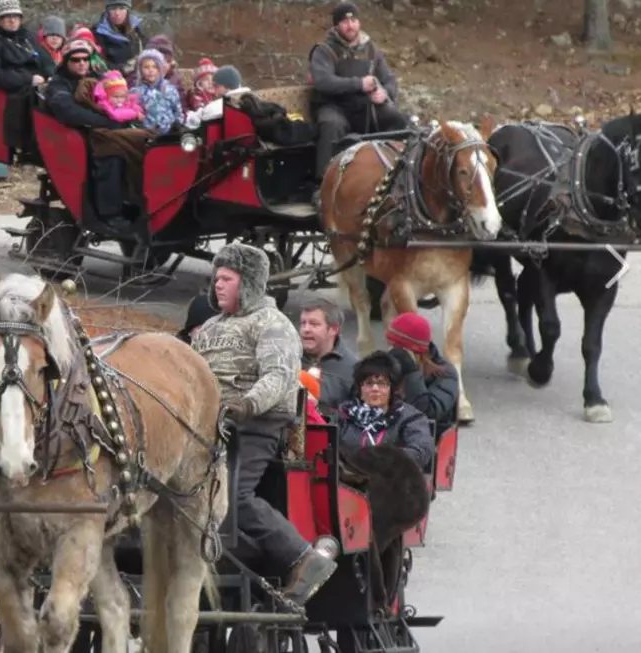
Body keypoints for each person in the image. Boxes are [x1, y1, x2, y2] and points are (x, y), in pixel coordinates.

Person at [192, 242, 339, 605]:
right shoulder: (209, 327)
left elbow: (278, 376)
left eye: (227, 278)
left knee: (234, 496)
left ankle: (304, 558)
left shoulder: (273, 324)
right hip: (208, 423)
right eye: (216, 279)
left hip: (255, 424)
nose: (218, 286)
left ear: (251, 282)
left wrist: (244, 405)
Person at [308, 2, 407, 195]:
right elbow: (323, 81)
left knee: (397, 119)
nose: (350, 25)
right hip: (333, 105)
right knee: (331, 125)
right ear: (336, 25)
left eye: (353, 20)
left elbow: (389, 80)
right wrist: (359, 84)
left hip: (364, 106)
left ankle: (400, 176)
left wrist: (384, 92)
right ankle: (323, 186)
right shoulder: (324, 51)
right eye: (344, 21)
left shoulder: (371, 50)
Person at [336, 351, 434, 470]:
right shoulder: (343, 415)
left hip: (393, 479)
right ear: (360, 389)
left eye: (382, 384)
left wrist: (384, 460)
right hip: (348, 479)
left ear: (391, 389)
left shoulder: (410, 418)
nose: (375, 389)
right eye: (369, 383)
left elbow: (421, 450)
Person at [384, 312, 460, 434]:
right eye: (390, 345)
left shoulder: (445, 373)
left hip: (425, 435)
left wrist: (411, 372)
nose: (392, 351)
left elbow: (427, 413)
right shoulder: (388, 363)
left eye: (397, 348)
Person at [0, 0, 51, 92]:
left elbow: (46, 59)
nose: (12, 20)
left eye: (16, 16)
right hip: (15, 93)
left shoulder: (28, 36)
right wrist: (28, 79)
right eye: (7, 17)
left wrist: (50, 75)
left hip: (40, 86)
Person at [298, 297, 357, 415]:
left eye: (314, 324)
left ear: (333, 329)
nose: (306, 329)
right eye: (303, 323)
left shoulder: (352, 369)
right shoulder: (288, 358)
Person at [44, 39, 122, 129]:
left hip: (106, 124)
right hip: (81, 132)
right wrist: (106, 122)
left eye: (86, 59)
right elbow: (69, 112)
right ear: (66, 62)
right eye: (75, 60)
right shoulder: (58, 84)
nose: (82, 63)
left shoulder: (98, 78)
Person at [132, 49, 184, 135]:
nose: (151, 70)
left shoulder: (169, 89)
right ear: (140, 70)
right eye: (146, 67)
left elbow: (178, 111)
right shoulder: (136, 92)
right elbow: (133, 113)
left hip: (169, 134)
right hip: (146, 134)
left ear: (160, 69)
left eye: (155, 67)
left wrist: (177, 126)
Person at [184, 65, 251, 128]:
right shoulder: (250, 99)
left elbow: (195, 120)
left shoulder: (217, 107)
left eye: (215, 85)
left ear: (224, 86)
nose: (213, 87)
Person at [92, 0, 145, 74]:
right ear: (107, 11)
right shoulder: (98, 32)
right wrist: (124, 68)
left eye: (122, 8)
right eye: (113, 9)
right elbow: (100, 63)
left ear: (127, 10)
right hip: (113, 79)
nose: (117, 13)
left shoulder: (136, 29)